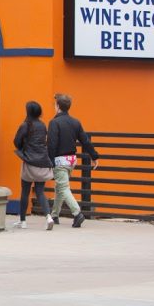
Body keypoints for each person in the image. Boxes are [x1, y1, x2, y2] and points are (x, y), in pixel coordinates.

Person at [48, 93, 100, 228]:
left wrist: (49, 161)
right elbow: (85, 141)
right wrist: (94, 156)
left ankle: (77, 214)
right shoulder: (75, 122)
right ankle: (55, 214)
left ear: (58, 106)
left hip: (60, 160)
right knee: (60, 186)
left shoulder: (54, 122)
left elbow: (52, 144)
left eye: (55, 104)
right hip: (71, 160)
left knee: (63, 187)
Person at [12, 101, 55, 230]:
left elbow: (16, 141)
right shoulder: (42, 125)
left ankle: (23, 221)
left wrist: (23, 149)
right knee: (40, 192)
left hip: (29, 163)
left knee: (25, 192)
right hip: (42, 162)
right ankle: (48, 217)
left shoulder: (26, 125)